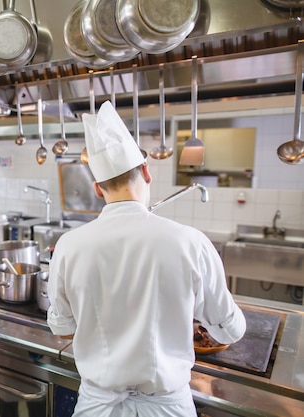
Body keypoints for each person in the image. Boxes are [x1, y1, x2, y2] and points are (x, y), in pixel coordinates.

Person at [46, 101, 247, 417]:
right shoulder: (190, 242)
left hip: (97, 407)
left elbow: (61, 328)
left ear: (98, 189)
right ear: (147, 172)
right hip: (168, 408)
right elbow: (228, 331)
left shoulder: (70, 246)